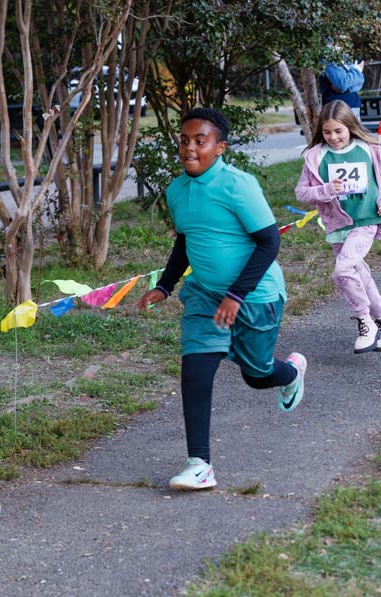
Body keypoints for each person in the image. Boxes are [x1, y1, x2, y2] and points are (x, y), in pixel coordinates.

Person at [135, 108, 306, 491]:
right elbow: (186, 240)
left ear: (220, 147)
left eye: (201, 141)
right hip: (205, 295)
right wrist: (165, 285)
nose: (190, 148)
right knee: (195, 370)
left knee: (257, 375)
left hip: (255, 295)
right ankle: (200, 464)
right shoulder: (177, 190)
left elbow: (269, 241)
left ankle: (291, 373)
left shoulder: (237, 185)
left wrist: (236, 295)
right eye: (184, 140)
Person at [294, 101, 381, 353]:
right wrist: (325, 190)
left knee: (342, 270)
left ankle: (364, 320)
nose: (333, 137)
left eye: (338, 131)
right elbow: (301, 192)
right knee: (360, 274)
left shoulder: (370, 148)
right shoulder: (315, 156)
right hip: (337, 224)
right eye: (327, 131)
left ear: (350, 127)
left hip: (366, 219)